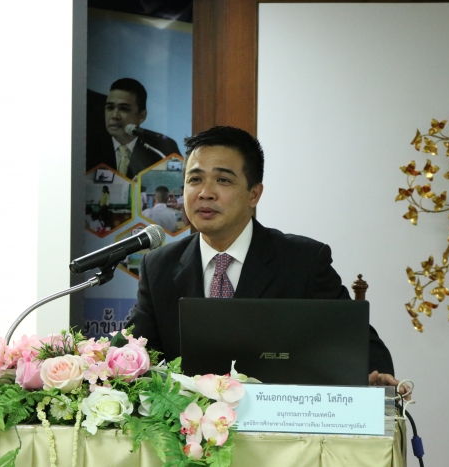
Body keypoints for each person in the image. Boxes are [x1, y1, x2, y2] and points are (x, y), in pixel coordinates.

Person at [127, 126, 403, 390]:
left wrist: (376, 376)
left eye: (223, 180)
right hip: (187, 420)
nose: (205, 193)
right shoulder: (159, 267)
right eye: (195, 179)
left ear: (254, 194)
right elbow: (133, 353)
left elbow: (359, 345)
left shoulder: (303, 262)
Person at [86, 78, 180, 178]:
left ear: (141, 116)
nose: (115, 115)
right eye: (110, 108)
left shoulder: (162, 148)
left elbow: (179, 182)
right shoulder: (89, 146)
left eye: (124, 109)